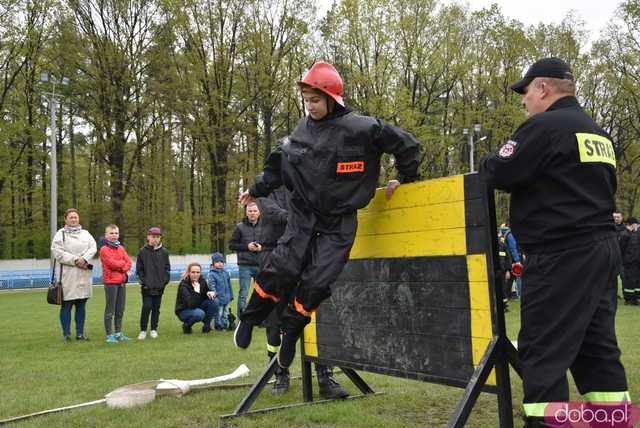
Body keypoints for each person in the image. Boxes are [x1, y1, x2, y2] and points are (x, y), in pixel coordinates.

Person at [234, 61, 422, 371]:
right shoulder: (300, 131)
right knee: (282, 267)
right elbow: (278, 164)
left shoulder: (363, 128)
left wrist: (404, 177)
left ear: (333, 98)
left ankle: (291, 331)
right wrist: (256, 189)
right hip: (303, 216)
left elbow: (406, 144)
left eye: (316, 100)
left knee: (318, 280)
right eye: (306, 100)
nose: (310, 107)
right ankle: (249, 318)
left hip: (340, 220)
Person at [479, 57, 629, 427]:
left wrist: (490, 157)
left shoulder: (544, 127)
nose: (524, 101)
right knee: (597, 351)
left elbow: (499, 171)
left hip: (560, 253)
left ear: (543, 88)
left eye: (526, 92)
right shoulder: (599, 134)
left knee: (543, 351)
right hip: (601, 250)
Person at [257, 184, 349, 398]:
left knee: (314, 316)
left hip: (308, 253)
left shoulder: (308, 179)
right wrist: (299, 218)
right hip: (276, 255)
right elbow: (270, 211)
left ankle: (325, 377)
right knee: (275, 322)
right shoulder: (267, 185)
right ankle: (280, 373)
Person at [51, 208, 98, 343]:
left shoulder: (86, 234)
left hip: (83, 273)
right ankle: (66, 334)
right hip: (68, 274)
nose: (73, 219)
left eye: (75, 217)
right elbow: (57, 252)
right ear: (65, 219)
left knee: (81, 304)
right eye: (71, 217)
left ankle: (80, 334)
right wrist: (75, 260)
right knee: (67, 304)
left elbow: (93, 247)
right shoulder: (60, 234)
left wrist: (84, 259)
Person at [99, 224, 133, 343]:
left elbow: (129, 262)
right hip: (111, 283)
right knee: (110, 309)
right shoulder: (104, 249)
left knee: (120, 309)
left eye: (116, 233)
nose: (114, 235)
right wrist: (123, 266)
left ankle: (118, 333)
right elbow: (111, 263)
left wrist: (122, 266)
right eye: (111, 233)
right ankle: (109, 335)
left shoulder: (121, 248)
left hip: (121, 282)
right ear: (106, 235)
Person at [136, 226, 171, 340]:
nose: (155, 239)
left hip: (159, 287)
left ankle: (154, 329)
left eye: (157, 237)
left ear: (160, 238)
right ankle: (143, 330)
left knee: (156, 308)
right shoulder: (142, 252)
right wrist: (144, 282)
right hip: (147, 287)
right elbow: (139, 270)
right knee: (146, 307)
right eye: (153, 237)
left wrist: (165, 281)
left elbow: (167, 268)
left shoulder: (164, 252)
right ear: (148, 237)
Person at [229, 202, 261, 316]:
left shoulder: (265, 226)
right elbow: (231, 245)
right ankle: (242, 318)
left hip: (261, 265)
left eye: (254, 211)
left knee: (261, 294)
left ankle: (259, 318)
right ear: (246, 213)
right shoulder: (240, 227)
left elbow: (272, 244)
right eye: (250, 211)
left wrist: (262, 248)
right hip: (245, 265)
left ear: (259, 212)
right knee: (243, 293)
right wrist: (247, 247)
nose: (252, 213)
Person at [174, 262, 217, 334]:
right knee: (200, 314)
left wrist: (210, 293)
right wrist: (196, 291)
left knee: (214, 301)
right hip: (184, 310)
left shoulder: (202, 281)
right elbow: (191, 304)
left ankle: (206, 325)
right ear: (188, 273)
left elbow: (205, 293)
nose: (195, 274)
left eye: (198, 272)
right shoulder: (183, 285)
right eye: (193, 272)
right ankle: (187, 326)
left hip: (197, 307)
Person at [207, 252, 234, 330]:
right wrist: (215, 296)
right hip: (219, 298)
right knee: (219, 313)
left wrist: (231, 295)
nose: (220, 264)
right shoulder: (212, 274)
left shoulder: (225, 273)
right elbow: (211, 286)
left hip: (227, 297)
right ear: (213, 263)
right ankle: (218, 325)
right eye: (217, 262)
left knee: (226, 313)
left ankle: (225, 324)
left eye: (221, 262)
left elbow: (229, 286)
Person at [619, 217, 640, 305]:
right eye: (636, 224)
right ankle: (629, 299)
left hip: (636, 262)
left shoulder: (634, 234)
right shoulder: (624, 235)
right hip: (628, 263)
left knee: (636, 281)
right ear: (633, 224)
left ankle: (635, 298)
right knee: (629, 282)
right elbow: (621, 249)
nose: (637, 226)